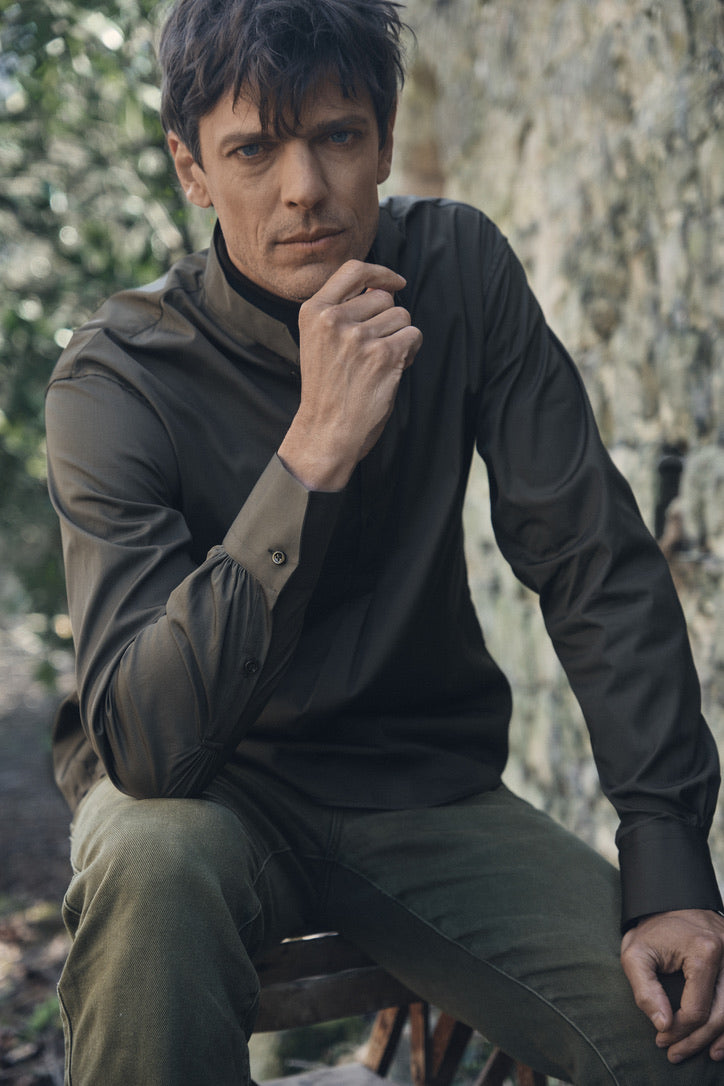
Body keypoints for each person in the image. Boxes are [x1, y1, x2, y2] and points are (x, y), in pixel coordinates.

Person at [44, 1, 724, 1082]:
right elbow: (145, 743)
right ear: (191, 169)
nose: (303, 188)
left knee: (683, 1041)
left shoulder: (458, 271)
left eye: (337, 137)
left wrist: (669, 857)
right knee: (148, 860)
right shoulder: (116, 378)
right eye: (253, 149)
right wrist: (310, 453)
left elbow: (589, 559)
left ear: (386, 138)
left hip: (421, 790)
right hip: (210, 792)